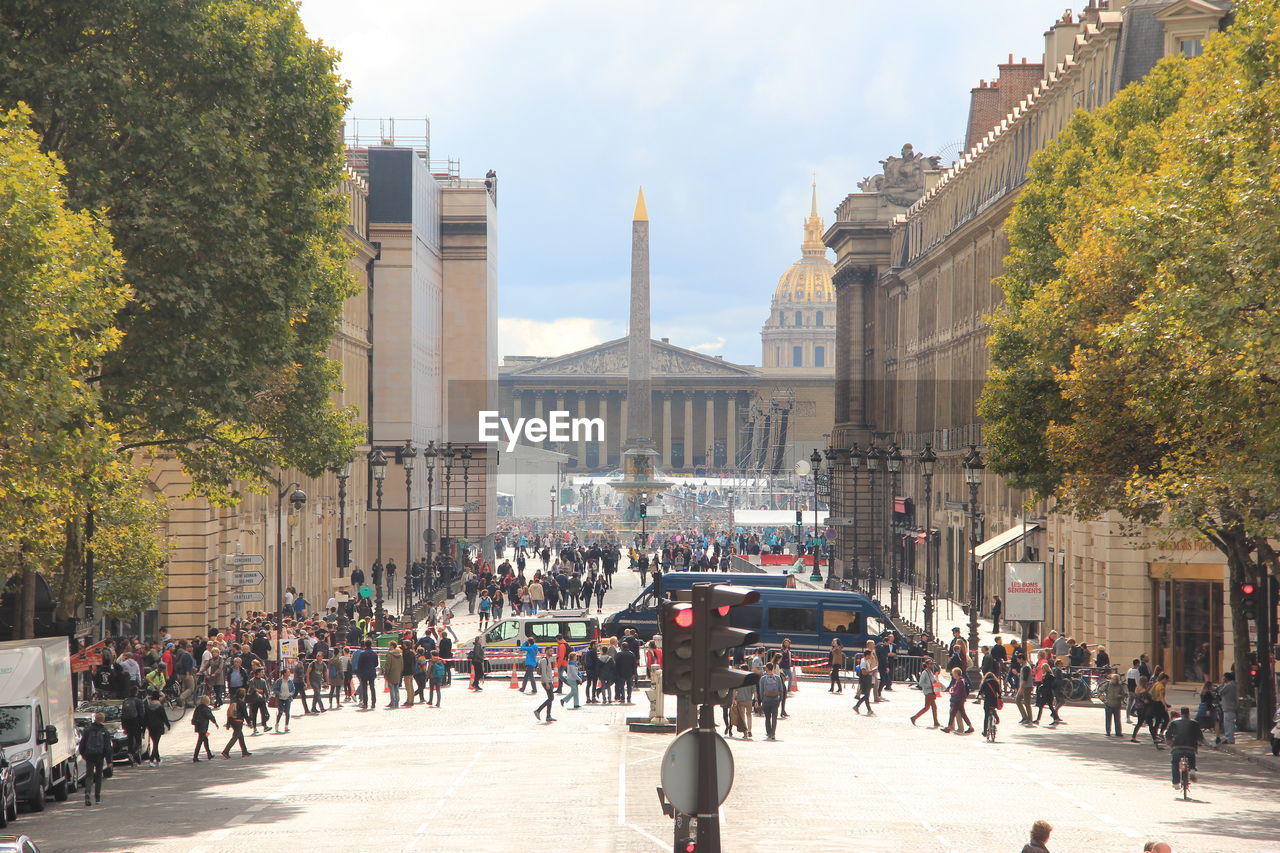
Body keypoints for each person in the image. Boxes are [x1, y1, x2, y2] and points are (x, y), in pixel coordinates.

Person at [1165, 707, 1204, 789]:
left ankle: (1176, 782)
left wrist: (1170, 743)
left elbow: (1168, 734)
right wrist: (1200, 743)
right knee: (1191, 756)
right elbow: (1200, 736)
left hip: (1177, 746)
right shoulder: (1194, 723)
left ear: (1181, 713)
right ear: (1188, 714)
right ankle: (1192, 769)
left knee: (1175, 763)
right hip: (1190, 746)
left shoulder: (1174, 722)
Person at [78, 711, 111, 805]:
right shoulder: (104, 731)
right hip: (100, 756)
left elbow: (82, 744)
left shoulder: (88, 730)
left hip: (89, 755)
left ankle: (87, 794)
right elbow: (108, 748)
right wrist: (109, 761)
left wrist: (83, 755)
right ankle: (97, 798)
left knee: (89, 776)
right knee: (98, 776)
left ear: (95, 719)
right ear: (103, 720)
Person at [758, 662, 786, 740]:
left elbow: (761, 691)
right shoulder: (777, 678)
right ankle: (773, 733)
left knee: (767, 717)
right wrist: (780, 699)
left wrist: (762, 700)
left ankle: (769, 732)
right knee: (774, 717)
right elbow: (781, 690)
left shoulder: (763, 678)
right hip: (775, 699)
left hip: (766, 700)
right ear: (773, 668)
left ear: (766, 669)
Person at [221, 688, 251, 758]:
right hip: (239, 721)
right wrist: (249, 723)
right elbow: (245, 714)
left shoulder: (233, 702)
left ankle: (244, 751)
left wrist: (228, 723)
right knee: (235, 737)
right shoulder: (242, 703)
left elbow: (229, 713)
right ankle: (225, 751)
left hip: (232, 721)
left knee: (240, 736)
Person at [120, 684, 146, 766]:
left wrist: (123, 725)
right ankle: (136, 754)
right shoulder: (139, 701)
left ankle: (130, 753)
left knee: (130, 740)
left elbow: (122, 714)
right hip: (136, 723)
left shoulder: (125, 701)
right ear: (136, 692)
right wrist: (143, 726)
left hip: (127, 723)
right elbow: (142, 715)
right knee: (138, 740)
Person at [942, 667, 973, 734]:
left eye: (953, 673)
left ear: (956, 674)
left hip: (958, 700)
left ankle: (949, 727)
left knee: (952, 713)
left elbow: (957, 692)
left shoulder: (960, 682)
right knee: (963, 714)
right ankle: (970, 727)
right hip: (960, 699)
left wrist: (951, 692)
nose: (952, 675)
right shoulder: (960, 680)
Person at [910, 659, 941, 727]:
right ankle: (914, 717)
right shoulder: (925, 672)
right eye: (930, 664)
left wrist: (935, 682)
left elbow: (932, 680)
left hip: (931, 691)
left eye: (932, 664)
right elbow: (921, 683)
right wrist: (930, 685)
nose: (931, 665)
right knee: (927, 707)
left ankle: (936, 722)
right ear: (926, 664)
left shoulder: (930, 672)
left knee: (933, 707)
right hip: (928, 692)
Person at [143, 690, 170, 767]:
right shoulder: (160, 707)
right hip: (158, 726)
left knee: (155, 742)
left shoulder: (148, 707)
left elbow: (145, 718)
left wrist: (144, 728)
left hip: (150, 727)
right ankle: (151, 760)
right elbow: (164, 717)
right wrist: (168, 725)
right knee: (156, 743)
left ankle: (158, 759)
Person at [191, 695, 218, 761]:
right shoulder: (206, 709)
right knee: (200, 742)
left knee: (205, 740)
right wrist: (215, 723)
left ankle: (209, 754)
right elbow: (211, 717)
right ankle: (195, 757)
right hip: (203, 727)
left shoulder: (198, 708)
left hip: (198, 726)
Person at [533, 648, 557, 722]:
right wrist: (547, 683)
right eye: (550, 651)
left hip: (549, 681)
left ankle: (548, 716)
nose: (551, 652)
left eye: (552, 651)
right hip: (546, 682)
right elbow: (543, 673)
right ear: (546, 651)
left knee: (550, 698)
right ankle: (538, 710)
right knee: (551, 698)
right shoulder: (544, 660)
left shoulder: (548, 660)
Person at [853, 643, 876, 715]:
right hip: (865, 680)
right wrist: (872, 671)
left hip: (867, 679)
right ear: (867, 655)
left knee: (867, 696)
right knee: (866, 696)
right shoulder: (863, 662)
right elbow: (864, 672)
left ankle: (868, 709)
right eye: (870, 655)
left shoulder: (866, 661)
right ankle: (857, 706)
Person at [1101, 672, 1126, 737]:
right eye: (1114, 679)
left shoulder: (1120, 686)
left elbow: (1124, 694)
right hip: (1108, 704)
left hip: (1117, 705)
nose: (1115, 681)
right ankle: (1108, 731)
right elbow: (1100, 690)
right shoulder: (1108, 684)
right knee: (1108, 719)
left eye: (1116, 679)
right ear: (1111, 679)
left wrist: (1121, 696)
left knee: (1117, 719)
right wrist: (1101, 697)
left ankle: (1118, 732)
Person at [1217, 671, 1238, 745]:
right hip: (1231, 706)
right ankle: (1230, 738)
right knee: (1230, 723)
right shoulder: (1234, 684)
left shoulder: (1228, 685)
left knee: (1228, 724)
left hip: (1228, 707)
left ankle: (1229, 739)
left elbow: (1220, 692)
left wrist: (1222, 683)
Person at [979, 671, 1001, 738]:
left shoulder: (985, 683)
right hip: (994, 701)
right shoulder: (996, 682)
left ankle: (985, 732)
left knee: (986, 716)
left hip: (987, 701)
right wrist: (999, 697)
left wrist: (979, 696)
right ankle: (995, 714)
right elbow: (999, 692)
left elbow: (980, 692)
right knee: (993, 708)